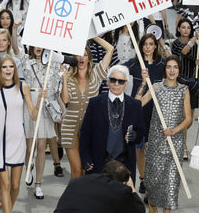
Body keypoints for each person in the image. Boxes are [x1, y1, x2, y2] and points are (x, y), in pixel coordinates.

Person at [0, 55, 41, 213]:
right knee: (5, 185)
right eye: (4, 67)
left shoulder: (23, 87)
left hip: (17, 139)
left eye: (11, 67)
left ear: (15, 69)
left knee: (15, 186)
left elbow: (34, 115)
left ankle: (8, 208)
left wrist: (40, 99)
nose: (8, 70)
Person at [136, 56, 191, 213]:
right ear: (165, 69)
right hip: (156, 142)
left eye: (175, 67)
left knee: (171, 184)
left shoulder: (184, 90)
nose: (172, 70)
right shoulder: (156, 87)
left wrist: (174, 130)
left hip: (176, 142)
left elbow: (188, 119)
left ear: (179, 70)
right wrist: (143, 83)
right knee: (153, 182)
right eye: (169, 67)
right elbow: (137, 104)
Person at [13, 44, 64, 200]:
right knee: (30, 146)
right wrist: (15, 29)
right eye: (36, 45)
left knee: (42, 145)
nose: (38, 48)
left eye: (42, 45)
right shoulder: (26, 61)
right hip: (30, 103)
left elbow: (56, 88)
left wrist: (60, 105)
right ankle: (29, 168)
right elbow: (15, 48)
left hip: (46, 104)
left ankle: (38, 184)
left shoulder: (53, 64)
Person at [79, 65, 145, 182]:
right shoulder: (95, 103)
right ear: (108, 81)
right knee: (98, 199)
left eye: (120, 81)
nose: (116, 84)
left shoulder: (135, 105)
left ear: (126, 83)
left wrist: (134, 136)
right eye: (113, 80)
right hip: (98, 162)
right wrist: (85, 158)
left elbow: (140, 133)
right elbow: (85, 133)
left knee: (122, 199)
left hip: (125, 164)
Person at [61, 37, 114, 179]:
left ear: (89, 58)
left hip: (90, 128)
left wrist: (93, 35)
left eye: (84, 54)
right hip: (70, 127)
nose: (81, 58)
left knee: (85, 169)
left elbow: (110, 49)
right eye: (78, 55)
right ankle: (72, 201)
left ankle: (80, 200)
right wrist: (64, 79)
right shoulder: (69, 77)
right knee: (77, 169)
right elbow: (65, 99)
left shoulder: (96, 74)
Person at [124, 33, 165, 194]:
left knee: (153, 149)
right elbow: (116, 73)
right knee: (139, 148)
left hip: (156, 112)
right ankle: (143, 180)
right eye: (145, 44)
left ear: (155, 46)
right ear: (141, 46)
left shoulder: (161, 66)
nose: (148, 47)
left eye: (151, 44)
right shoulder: (133, 65)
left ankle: (152, 179)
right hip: (138, 111)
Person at [54, 160, 145, 213]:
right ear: (123, 182)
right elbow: (140, 210)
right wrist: (132, 189)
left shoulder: (76, 181)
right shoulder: (120, 191)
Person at [170, 18, 199, 159]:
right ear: (178, 29)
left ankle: (179, 136)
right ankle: (183, 147)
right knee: (183, 116)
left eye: (188, 27)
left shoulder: (197, 46)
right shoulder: (175, 44)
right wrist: (195, 38)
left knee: (189, 119)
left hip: (192, 82)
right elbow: (183, 51)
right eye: (183, 27)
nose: (185, 30)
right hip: (181, 82)